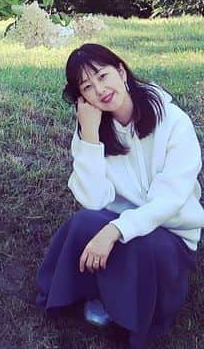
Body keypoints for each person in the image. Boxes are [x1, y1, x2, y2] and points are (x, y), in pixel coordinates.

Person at [36, 43, 204, 347]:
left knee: (140, 246)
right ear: (81, 97)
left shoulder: (173, 121)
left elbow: (170, 200)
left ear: (121, 71)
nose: (100, 89)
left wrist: (115, 229)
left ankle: (126, 315)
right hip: (120, 221)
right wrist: (88, 136)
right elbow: (93, 200)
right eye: (87, 86)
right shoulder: (94, 128)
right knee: (83, 223)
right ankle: (90, 295)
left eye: (103, 75)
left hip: (170, 233)